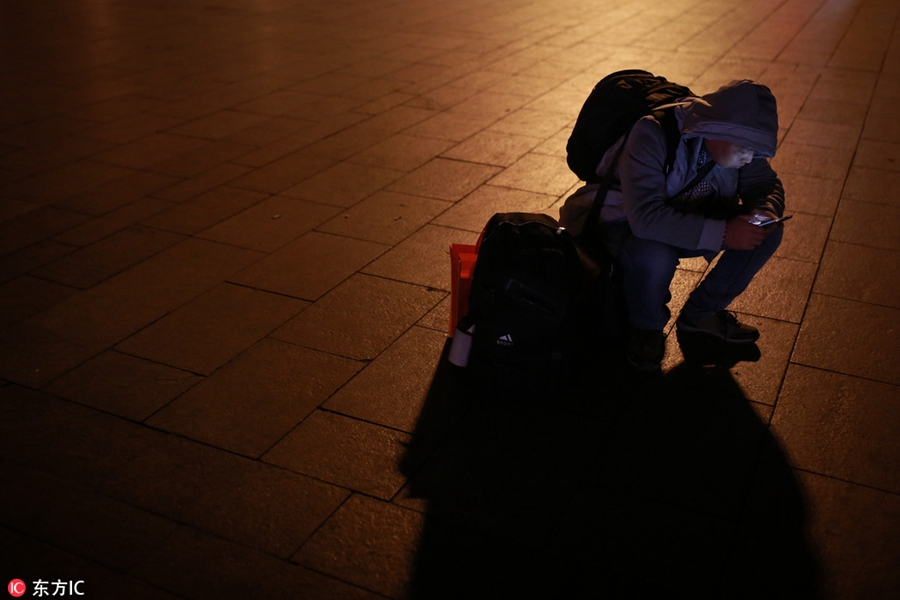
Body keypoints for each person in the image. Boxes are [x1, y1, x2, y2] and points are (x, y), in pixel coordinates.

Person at [589, 79, 785, 371]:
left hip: (687, 214)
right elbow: (645, 218)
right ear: (716, 129)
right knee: (654, 255)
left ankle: (700, 315)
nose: (749, 157)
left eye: (756, 150)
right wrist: (725, 233)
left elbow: (764, 183)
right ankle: (645, 328)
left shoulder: (740, 145)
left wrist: (765, 210)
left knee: (765, 233)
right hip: (623, 224)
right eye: (744, 147)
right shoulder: (653, 132)